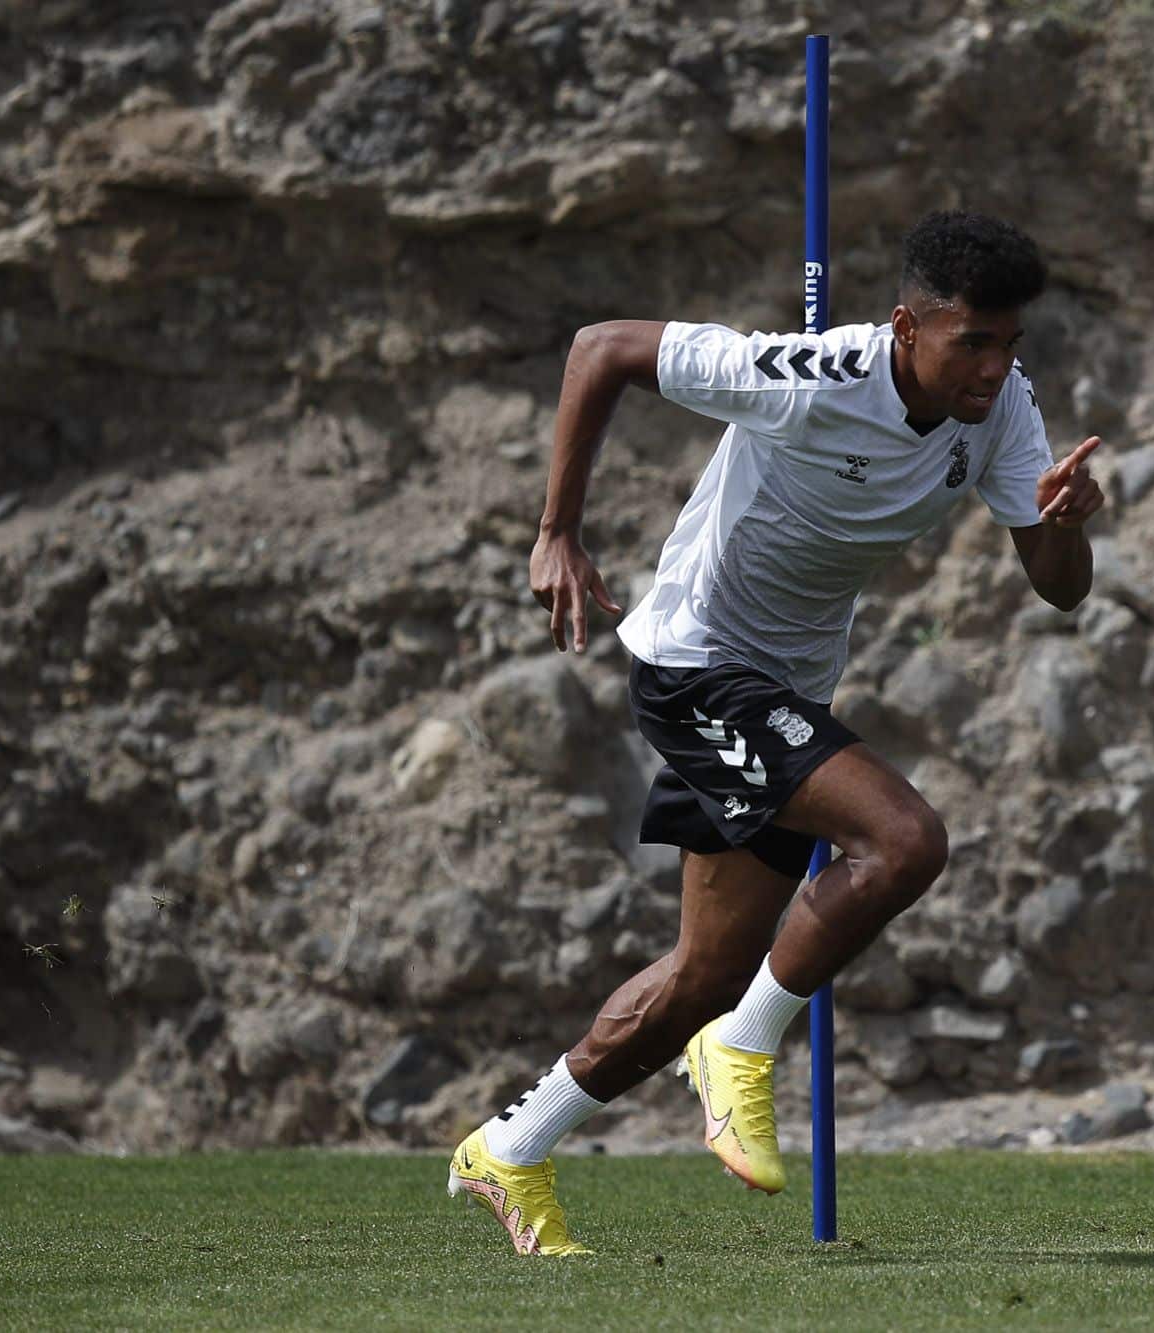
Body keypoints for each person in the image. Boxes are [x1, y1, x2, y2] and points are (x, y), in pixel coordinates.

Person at [447, 210, 1106, 1255]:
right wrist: (556, 531)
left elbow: (1058, 590)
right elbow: (601, 348)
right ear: (904, 327)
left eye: (1008, 342)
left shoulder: (1001, 412)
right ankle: (744, 1049)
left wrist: (1066, 528)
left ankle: (509, 1148)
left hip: (784, 689)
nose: (993, 365)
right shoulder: (807, 374)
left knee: (702, 972)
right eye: (970, 341)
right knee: (903, 841)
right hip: (698, 665)